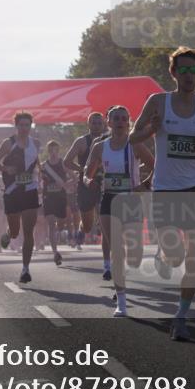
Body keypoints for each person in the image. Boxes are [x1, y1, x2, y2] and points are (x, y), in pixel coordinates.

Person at [131, 46, 195, 341]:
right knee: (176, 256)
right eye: (183, 70)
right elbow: (133, 138)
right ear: (174, 73)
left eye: (194, 70)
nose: (189, 75)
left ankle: (181, 316)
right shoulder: (158, 103)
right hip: (164, 190)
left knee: (194, 257)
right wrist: (151, 130)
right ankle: (164, 255)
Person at [84, 105, 154, 317]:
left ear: (129, 122)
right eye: (116, 118)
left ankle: (121, 279)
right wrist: (89, 181)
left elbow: (155, 165)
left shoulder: (135, 145)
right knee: (116, 248)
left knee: (133, 252)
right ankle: (121, 300)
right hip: (110, 199)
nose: (121, 122)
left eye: (124, 118)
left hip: (131, 199)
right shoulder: (100, 146)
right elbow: (88, 173)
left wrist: (145, 184)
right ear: (109, 122)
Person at [0, 111, 41, 282]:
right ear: (16, 126)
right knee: (15, 231)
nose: (24, 128)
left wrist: (40, 179)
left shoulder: (36, 143)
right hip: (12, 191)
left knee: (28, 232)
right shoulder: (8, 143)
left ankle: (25, 269)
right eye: (21, 125)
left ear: (30, 126)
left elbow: (36, 164)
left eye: (27, 125)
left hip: (30, 191)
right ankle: (8, 234)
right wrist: (6, 169)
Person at [65, 112, 113, 279]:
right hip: (86, 186)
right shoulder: (81, 142)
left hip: (106, 185)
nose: (96, 125)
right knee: (87, 225)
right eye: (93, 122)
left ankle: (108, 266)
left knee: (106, 225)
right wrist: (83, 170)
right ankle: (81, 229)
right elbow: (67, 161)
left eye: (99, 122)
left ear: (104, 124)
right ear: (88, 124)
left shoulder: (110, 139)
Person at [40, 140, 70, 266]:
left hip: (61, 197)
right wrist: (39, 188)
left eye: (55, 150)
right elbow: (37, 180)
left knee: (61, 224)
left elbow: (74, 177)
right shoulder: (43, 166)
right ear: (48, 151)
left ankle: (60, 233)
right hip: (48, 197)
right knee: (51, 223)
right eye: (51, 150)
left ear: (58, 150)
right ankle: (55, 252)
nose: (53, 152)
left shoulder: (63, 163)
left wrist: (65, 184)